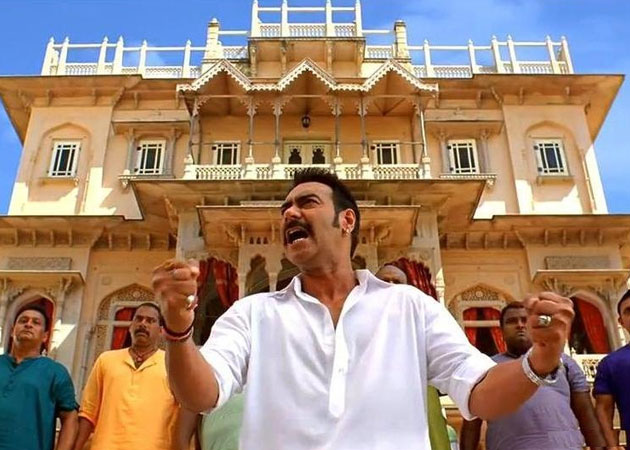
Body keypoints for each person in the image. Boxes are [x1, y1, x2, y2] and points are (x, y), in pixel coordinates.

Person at [152, 168, 576, 450]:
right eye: (284, 210)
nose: (289, 213)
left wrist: (540, 359)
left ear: (347, 221)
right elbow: (201, 394)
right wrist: (178, 329)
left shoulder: (410, 307)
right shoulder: (252, 313)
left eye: (306, 203)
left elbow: (480, 394)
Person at [460, 302, 605, 450]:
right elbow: (471, 424)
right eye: (512, 321)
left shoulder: (563, 362)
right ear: (501, 330)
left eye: (525, 320)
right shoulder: (486, 367)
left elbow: (586, 413)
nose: (520, 325)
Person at [74, 302, 182, 450]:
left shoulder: (173, 365)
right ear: (131, 326)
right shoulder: (106, 360)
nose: (143, 324)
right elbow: (88, 412)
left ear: (161, 331)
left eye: (150, 321)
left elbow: (184, 416)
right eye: (138, 319)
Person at [375, 264, 452, 450]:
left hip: (419, 397)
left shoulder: (424, 318)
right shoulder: (358, 318)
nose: (391, 286)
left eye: (397, 282)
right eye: (385, 281)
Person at [0, 304, 78, 450]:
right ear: (11, 331)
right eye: (23, 321)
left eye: (36, 322)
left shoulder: (55, 372)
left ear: (45, 336)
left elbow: (70, 418)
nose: (28, 324)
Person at [594, 289, 630, 450]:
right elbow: (604, 409)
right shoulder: (611, 364)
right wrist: (612, 445)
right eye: (629, 311)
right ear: (621, 321)